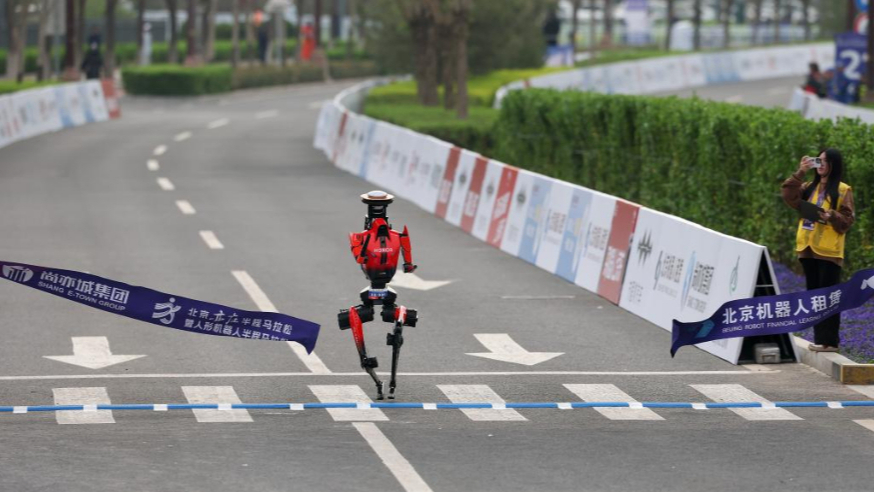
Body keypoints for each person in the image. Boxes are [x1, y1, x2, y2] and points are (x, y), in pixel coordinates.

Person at [781, 149, 855, 352]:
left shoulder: (843, 190)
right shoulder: (809, 186)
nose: (820, 165)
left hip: (829, 251)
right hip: (807, 247)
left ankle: (830, 342)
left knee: (829, 296)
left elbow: (848, 220)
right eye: (818, 161)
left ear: (833, 164)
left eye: (825, 161)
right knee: (815, 297)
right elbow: (788, 195)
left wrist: (832, 216)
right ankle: (821, 340)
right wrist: (800, 171)